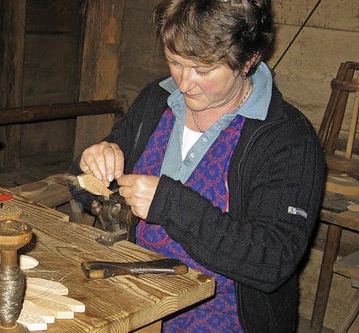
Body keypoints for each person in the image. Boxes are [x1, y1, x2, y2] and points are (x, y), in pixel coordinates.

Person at [69, 0, 325, 332]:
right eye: (174, 62)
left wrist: (171, 205)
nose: (185, 82)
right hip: (131, 299)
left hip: (223, 321)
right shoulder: (157, 101)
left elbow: (273, 260)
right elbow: (78, 183)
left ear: (248, 60)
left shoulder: (286, 138)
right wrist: (93, 166)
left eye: (203, 70)